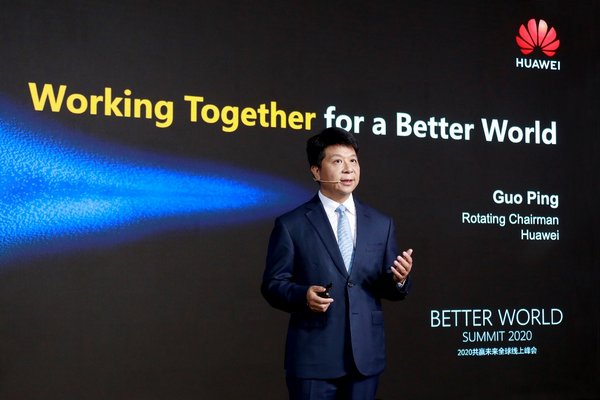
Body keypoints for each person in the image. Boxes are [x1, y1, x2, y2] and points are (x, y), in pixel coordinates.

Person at [261, 127, 413, 400]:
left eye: (353, 160)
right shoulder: (291, 224)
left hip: (364, 359)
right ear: (316, 171)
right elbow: (273, 284)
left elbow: (385, 287)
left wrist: (399, 279)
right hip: (313, 360)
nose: (348, 169)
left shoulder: (381, 223)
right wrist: (303, 296)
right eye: (337, 161)